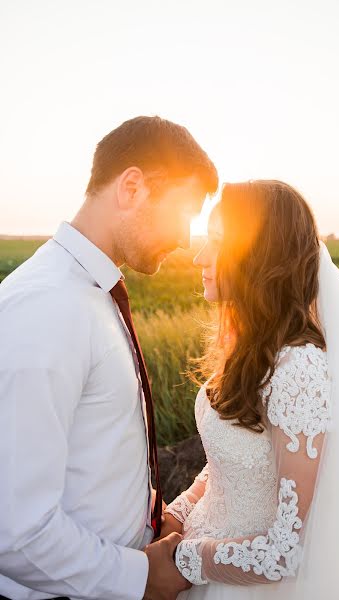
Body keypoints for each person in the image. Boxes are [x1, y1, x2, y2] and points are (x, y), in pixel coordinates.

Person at [155, 180, 339, 599]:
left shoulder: (299, 369)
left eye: (216, 242)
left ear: (259, 254)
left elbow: (285, 551)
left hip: (240, 584)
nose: (199, 256)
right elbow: (238, 458)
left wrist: (182, 561)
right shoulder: (251, 348)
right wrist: (179, 511)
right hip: (203, 563)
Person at [0, 116, 218, 600]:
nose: (186, 239)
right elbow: (14, 530)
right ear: (132, 187)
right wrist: (138, 576)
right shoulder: (46, 308)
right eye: (182, 212)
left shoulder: (92, 294)